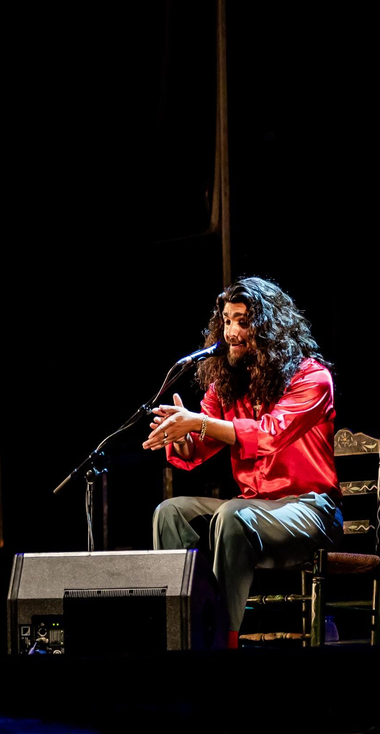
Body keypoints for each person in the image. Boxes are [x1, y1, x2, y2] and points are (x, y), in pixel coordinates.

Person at [145, 278, 342, 649]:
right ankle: (179, 636)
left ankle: (223, 643)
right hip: (252, 509)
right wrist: (181, 436)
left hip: (311, 509)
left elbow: (269, 435)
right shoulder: (227, 385)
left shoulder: (312, 377)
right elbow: (197, 449)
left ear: (271, 328)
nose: (231, 332)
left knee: (234, 515)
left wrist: (198, 422)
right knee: (169, 513)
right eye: (226, 321)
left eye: (242, 322)